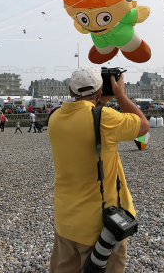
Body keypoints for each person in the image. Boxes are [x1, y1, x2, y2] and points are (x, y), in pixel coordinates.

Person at [48, 66, 149, 273]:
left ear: (70, 90)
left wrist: (101, 98)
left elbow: (85, 112)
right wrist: (120, 95)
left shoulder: (55, 118)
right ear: (101, 91)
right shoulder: (105, 118)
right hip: (99, 226)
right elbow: (143, 126)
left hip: (66, 222)